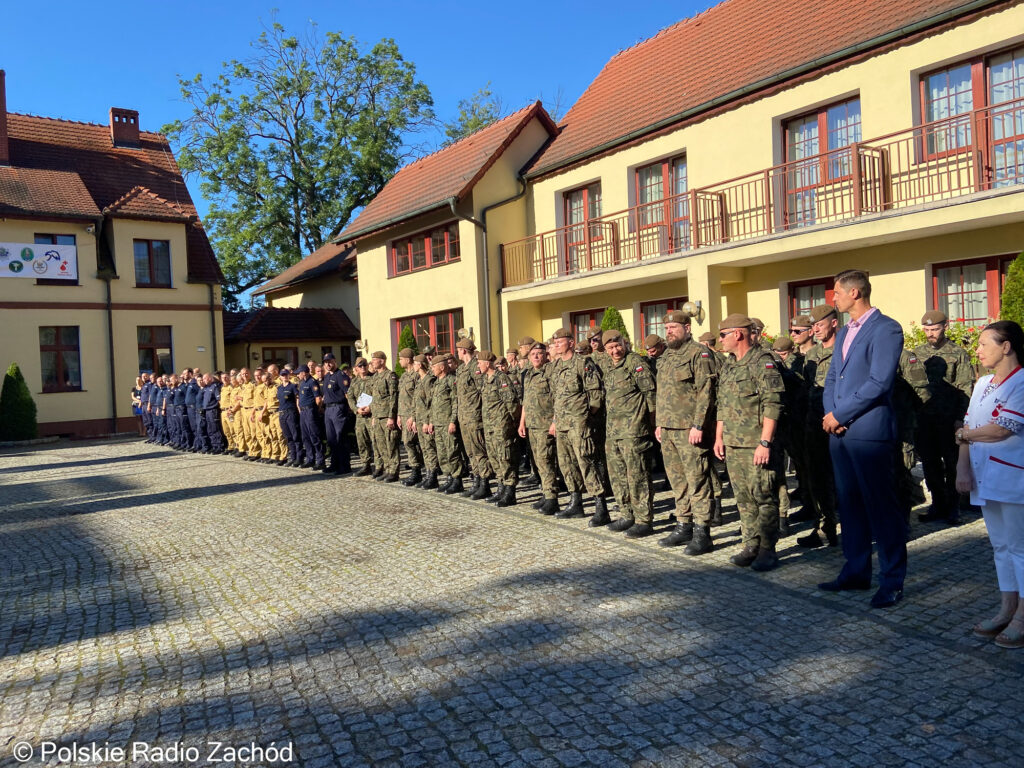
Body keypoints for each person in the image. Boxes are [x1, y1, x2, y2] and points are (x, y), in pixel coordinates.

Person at [820, 269, 906, 608]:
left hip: (869, 432)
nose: (833, 298)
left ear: (855, 293)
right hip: (839, 434)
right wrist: (831, 415)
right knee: (850, 506)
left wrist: (842, 414)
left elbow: (879, 382)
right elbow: (832, 380)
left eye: (837, 292)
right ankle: (855, 572)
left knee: (882, 509)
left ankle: (892, 581)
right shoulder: (844, 334)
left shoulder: (886, 329)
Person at [955, 321, 1024, 648]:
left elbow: (1001, 429)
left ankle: (1023, 616)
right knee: (1000, 546)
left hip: (1014, 478)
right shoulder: (982, 383)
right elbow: (969, 425)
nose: (977, 350)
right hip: (985, 476)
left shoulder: (1023, 381)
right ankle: (1007, 608)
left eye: (984, 344)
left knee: (1020, 548)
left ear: (1006, 346)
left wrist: (963, 435)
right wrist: (962, 467)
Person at [715, 314, 786, 571]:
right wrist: (719, 437)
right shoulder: (729, 365)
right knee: (744, 499)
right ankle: (751, 544)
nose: (720, 340)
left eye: (723, 335)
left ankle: (768, 549)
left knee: (764, 497)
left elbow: (773, 404)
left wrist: (765, 443)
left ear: (738, 334)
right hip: (734, 444)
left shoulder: (762, 362)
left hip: (757, 444)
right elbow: (722, 404)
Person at [656, 310, 719, 552]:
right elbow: (663, 394)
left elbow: (706, 392)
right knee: (677, 481)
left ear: (687, 328)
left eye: (674, 327)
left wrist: (699, 425)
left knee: (697, 480)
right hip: (669, 429)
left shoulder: (699, 354)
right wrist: (660, 423)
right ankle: (684, 525)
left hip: (689, 429)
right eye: (667, 327)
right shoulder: (666, 357)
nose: (669, 331)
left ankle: (703, 532)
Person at [915, 309, 975, 525]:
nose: (930, 333)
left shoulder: (957, 353)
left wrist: (961, 418)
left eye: (935, 329)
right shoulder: (917, 353)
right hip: (924, 419)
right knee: (930, 465)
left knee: (952, 464)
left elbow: (965, 386)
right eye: (927, 329)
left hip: (948, 419)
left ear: (945, 327)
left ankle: (953, 508)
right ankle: (937, 505)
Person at [601, 330, 658, 537]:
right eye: (610, 348)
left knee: (638, 475)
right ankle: (626, 514)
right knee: (618, 476)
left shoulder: (635, 362)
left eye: (617, 346)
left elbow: (650, 394)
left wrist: (652, 424)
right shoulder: (608, 366)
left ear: (624, 344)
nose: (615, 351)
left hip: (634, 429)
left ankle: (644, 520)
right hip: (613, 431)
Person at [548, 328, 607, 520]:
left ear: (571, 343)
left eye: (560, 342)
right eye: (555, 343)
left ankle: (600, 505)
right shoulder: (555, 366)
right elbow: (556, 397)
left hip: (579, 424)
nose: (556, 345)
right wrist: (555, 421)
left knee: (586, 463)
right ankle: (576, 502)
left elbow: (596, 394)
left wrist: (585, 417)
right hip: (562, 424)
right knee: (567, 465)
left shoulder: (583, 363)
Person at [799, 304, 840, 548]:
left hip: (840, 427)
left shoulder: (846, 351)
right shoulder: (811, 356)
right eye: (812, 326)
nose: (815, 330)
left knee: (844, 480)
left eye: (820, 324)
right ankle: (824, 528)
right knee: (817, 479)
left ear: (834, 323)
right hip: (814, 426)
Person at [519, 342, 560, 514]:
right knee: (537, 462)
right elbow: (526, 401)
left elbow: (559, 398)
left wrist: (555, 421)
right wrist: (522, 422)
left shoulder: (551, 372)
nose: (536, 356)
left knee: (546, 460)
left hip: (545, 424)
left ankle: (552, 498)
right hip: (532, 425)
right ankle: (545, 492)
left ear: (546, 355)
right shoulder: (528, 374)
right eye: (533, 354)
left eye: (539, 353)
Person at [479, 351, 522, 506]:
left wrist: (512, 423)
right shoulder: (486, 379)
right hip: (489, 426)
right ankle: (501, 488)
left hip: (501, 425)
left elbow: (511, 402)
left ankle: (510, 492)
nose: (478, 365)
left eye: (480, 362)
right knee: (494, 457)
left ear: (488, 363)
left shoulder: (501, 378)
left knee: (505, 457)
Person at [456, 339, 491, 497]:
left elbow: (482, 391)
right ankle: (476, 481)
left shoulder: (474, 368)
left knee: (479, 451)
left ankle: (485, 483)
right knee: (470, 451)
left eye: (458, 350)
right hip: (464, 417)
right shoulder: (461, 369)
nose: (457, 352)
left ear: (463, 350)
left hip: (474, 416)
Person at [428, 354, 464, 494]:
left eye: (434, 367)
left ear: (442, 367)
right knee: (442, 453)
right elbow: (434, 405)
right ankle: (449, 478)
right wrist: (431, 421)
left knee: (452, 452)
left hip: (447, 422)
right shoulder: (436, 382)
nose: (432, 369)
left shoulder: (451, 381)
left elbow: (455, 402)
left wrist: (452, 421)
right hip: (438, 423)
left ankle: (457, 480)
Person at [369, 351, 400, 481]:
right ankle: (387, 468)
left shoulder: (390, 376)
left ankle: (394, 470)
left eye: (374, 359)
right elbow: (374, 398)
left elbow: (393, 397)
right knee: (381, 444)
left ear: (382, 361)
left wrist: (391, 417)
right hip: (378, 416)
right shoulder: (376, 377)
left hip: (387, 416)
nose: (372, 362)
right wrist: (373, 416)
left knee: (391, 443)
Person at [322, 353, 353, 475]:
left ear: (335, 361)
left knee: (341, 438)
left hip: (338, 409)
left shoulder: (340, 376)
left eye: (330, 361)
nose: (328, 364)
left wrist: (350, 408)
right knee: (331, 439)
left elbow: (347, 394)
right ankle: (334, 464)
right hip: (328, 410)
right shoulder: (327, 377)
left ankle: (344, 465)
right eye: (326, 362)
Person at [413, 354, 440, 489]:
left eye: (415, 363)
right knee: (424, 448)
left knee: (430, 448)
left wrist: (428, 421)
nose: (413, 365)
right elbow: (417, 403)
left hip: (426, 419)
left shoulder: (429, 380)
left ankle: (433, 476)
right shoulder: (419, 380)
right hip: (419, 419)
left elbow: (430, 403)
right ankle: (428, 474)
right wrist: (414, 419)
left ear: (421, 364)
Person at [398, 348, 424, 486]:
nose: (399, 361)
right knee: (407, 443)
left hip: (412, 415)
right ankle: (416, 469)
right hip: (403, 414)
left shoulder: (415, 376)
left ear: (408, 360)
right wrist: (398, 415)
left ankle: (416, 471)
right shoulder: (403, 377)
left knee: (410, 442)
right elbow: (401, 397)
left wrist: (413, 417)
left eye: (401, 358)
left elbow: (417, 397)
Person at [348, 358, 375, 475]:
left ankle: (380, 466)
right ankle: (366, 465)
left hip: (372, 415)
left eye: (364, 365)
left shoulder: (374, 378)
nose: (363, 367)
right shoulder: (354, 381)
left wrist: (371, 408)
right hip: (359, 416)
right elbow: (350, 397)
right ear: (356, 368)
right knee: (362, 441)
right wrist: (356, 409)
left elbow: (379, 396)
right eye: (360, 366)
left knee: (376, 441)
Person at [296, 365, 325, 470]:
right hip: (303, 411)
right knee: (305, 436)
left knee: (315, 436)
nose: (297, 375)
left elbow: (318, 398)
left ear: (304, 372)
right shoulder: (302, 382)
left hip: (310, 410)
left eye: (299, 373)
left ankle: (320, 461)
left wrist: (315, 410)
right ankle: (310, 459)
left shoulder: (312, 382)